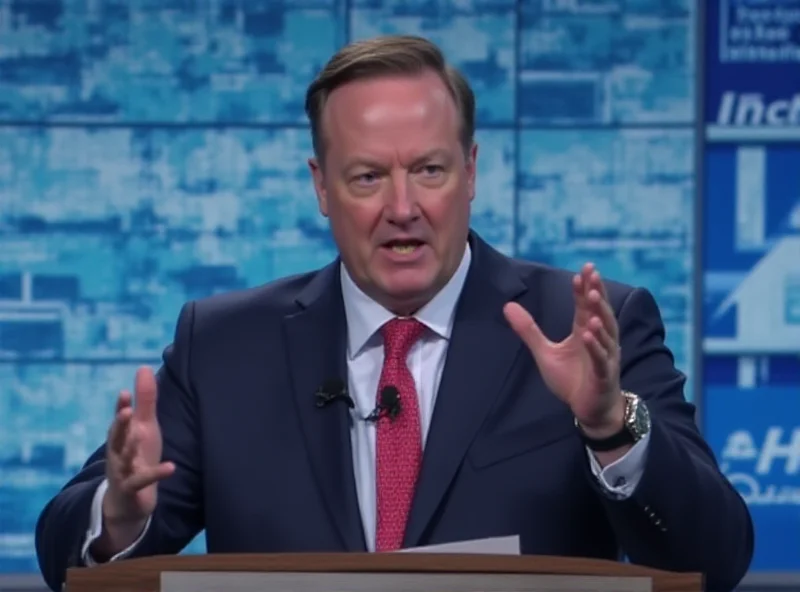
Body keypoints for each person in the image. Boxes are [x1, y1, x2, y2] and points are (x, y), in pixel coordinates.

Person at [35, 34, 753, 592]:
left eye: (430, 171)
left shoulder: (591, 325)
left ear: (471, 172)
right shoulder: (223, 346)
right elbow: (64, 549)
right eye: (368, 176)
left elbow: (716, 559)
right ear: (321, 187)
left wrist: (611, 428)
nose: (402, 208)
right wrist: (118, 519)